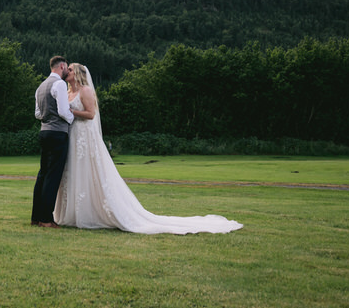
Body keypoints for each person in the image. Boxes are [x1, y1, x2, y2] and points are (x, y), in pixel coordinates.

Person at [54, 63, 243, 234]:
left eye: (70, 69)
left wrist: (72, 112)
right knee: (74, 172)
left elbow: (90, 114)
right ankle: (73, 213)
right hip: (72, 136)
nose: (67, 72)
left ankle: (91, 214)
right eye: (67, 69)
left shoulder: (85, 90)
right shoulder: (68, 92)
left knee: (90, 172)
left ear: (78, 73)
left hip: (85, 136)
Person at [30, 55, 74, 228]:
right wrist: (71, 119)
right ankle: (46, 219)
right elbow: (64, 111)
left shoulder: (40, 86)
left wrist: (48, 117)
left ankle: (35, 217)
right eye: (67, 68)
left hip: (44, 132)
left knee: (42, 175)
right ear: (62, 66)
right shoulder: (60, 84)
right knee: (52, 177)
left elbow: (38, 114)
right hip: (57, 134)